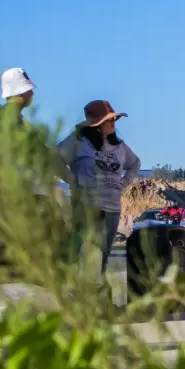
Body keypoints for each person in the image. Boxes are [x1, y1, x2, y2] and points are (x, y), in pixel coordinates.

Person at [58, 100, 141, 274]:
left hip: (112, 209)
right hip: (87, 206)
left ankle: (95, 293)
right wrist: (71, 180)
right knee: (85, 254)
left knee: (102, 256)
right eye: (109, 120)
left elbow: (135, 163)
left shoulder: (119, 146)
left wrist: (124, 183)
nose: (113, 123)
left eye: (113, 119)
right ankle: (76, 291)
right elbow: (54, 158)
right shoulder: (78, 142)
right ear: (97, 124)